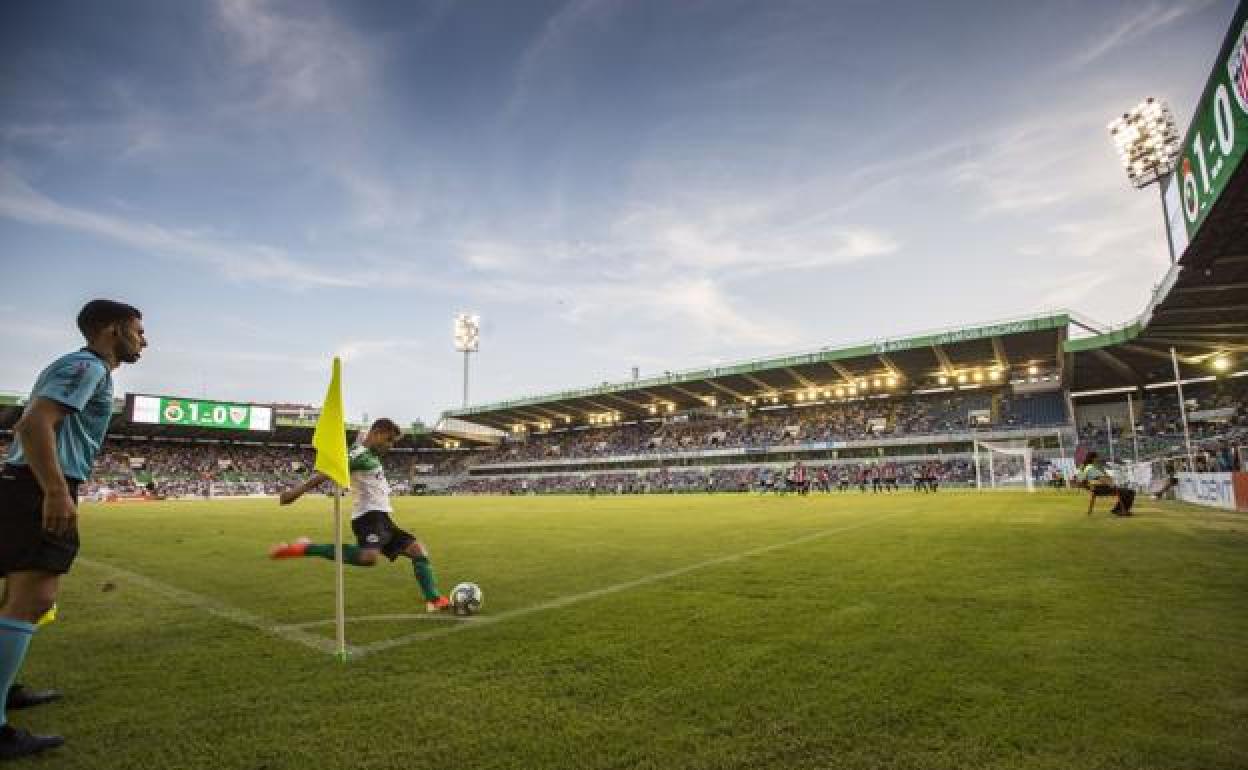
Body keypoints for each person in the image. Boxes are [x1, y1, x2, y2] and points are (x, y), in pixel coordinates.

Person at [1, 300, 146, 760]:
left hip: (25, 484)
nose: (144, 339)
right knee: (34, 598)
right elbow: (34, 424)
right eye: (137, 331)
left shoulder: (73, 365)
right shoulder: (89, 367)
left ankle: (4, 691)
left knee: (15, 596)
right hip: (37, 486)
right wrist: (56, 491)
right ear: (111, 330)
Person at [269, 419, 451, 612]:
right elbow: (328, 472)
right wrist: (296, 493)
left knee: (417, 551)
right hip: (368, 517)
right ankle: (307, 548)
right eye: (389, 440)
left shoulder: (369, 454)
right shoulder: (358, 455)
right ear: (378, 433)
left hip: (383, 518)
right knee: (368, 557)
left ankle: (434, 599)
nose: (390, 446)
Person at [1077, 452, 1134, 516]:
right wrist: (1112, 485)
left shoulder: (1083, 467)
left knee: (1125, 491)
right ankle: (1120, 510)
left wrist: (1089, 487)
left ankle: (1118, 510)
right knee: (1130, 492)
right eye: (1097, 458)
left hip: (1094, 488)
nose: (1098, 459)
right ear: (1094, 459)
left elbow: (1079, 480)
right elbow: (1101, 478)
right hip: (1100, 488)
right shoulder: (1091, 468)